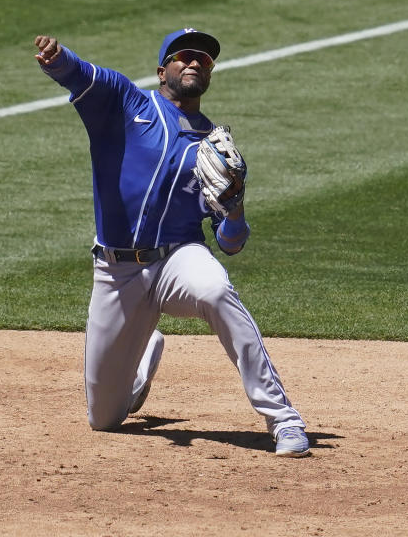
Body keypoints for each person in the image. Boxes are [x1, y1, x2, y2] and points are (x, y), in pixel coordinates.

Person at [33, 28, 310, 457]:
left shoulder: (217, 150)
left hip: (178, 259)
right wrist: (56, 57)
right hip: (116, 270)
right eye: (185, 55)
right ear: (163, 70)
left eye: (205, 58)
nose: (196, 62)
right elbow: (82, 75)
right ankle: (142, 354)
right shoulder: (127, 103)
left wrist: (235, 208)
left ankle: (284, 419)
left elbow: (231, 244)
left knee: (216, 290)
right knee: (103, 419)